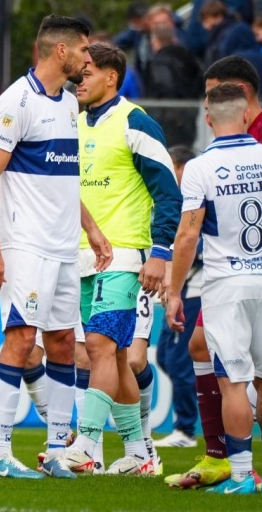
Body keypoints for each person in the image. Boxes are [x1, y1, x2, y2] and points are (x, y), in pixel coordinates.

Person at [165, 56, 262, 492]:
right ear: (245, 111)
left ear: (210, 116)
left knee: (233, 380)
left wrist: (174, 291)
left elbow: (187, 236)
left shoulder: (199, 168)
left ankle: (238, 476)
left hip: (226, 283)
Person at [0, 15, 112, 480]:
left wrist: (90, 228)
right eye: (83, 52)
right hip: (25, 245)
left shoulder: (68, 104)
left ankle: (56, 449)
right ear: (60, 52)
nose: (87, 59)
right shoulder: (17, 100)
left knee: (60, 341)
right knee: (20, 339)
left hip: (63, 246)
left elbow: (63, 176)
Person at [59, 42, 181, 476]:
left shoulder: (137, 122)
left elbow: (169, 193)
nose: (79, 80)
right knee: (109, 356)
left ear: (112, 76)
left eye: (87, 72)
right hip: (79, 257)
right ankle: (139, 454)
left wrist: (160, 254)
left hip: (126, 255)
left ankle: (86, 446)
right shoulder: (72, 124)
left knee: (100, 347)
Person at [153, 145, 201, 449]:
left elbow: (196, 246)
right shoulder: (175, 202)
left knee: (180, 360)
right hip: (177, 289)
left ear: (182, 167)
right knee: (165, 357)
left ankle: (185, 429)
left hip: (195, 288)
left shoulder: (197, 201)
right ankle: (192, 416)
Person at [142, 24, 201, 147]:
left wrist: (171, 115)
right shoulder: (189, 58)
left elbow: (166, 86)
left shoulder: (160, 62)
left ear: (156, 41)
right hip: (189, 116)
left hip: (169, 121)